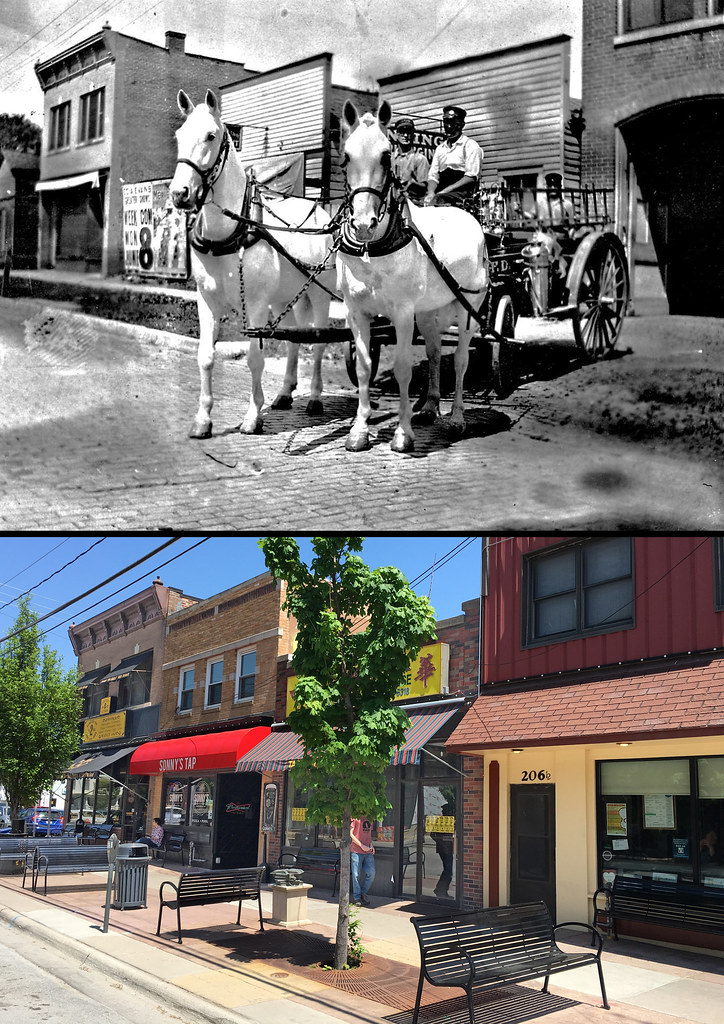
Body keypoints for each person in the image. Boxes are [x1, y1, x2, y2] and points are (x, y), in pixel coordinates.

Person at [424, 105, 483, 209]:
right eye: (446, 122)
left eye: (454, 122)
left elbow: (471, 177)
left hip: (462, 195)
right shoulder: (440, 149)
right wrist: (430, 193)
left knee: (438, 201)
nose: (449, 126)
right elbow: (433, 176)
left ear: (462, 124)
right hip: (441, 193)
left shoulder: (470, 146)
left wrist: (444, 191)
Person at [391, 117, 429, 202]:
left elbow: (424, 186)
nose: (405, 135)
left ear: (413, 136)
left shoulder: (419, 159)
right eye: (402, 132)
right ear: (396, 135)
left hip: (412, 202)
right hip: (391, 203)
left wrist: (412, 184)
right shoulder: (391, 159)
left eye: (408, 132)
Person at [350, 816, 376, 907]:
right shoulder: (355, 817)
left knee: (371, 873)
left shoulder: (370, 817)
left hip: (368, 850)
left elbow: (368, 834)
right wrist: (361, 845)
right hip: (356, 851)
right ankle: (357, 897)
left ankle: (363, 893)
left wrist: (371, 845)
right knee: (356, 874)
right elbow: (351, 834)